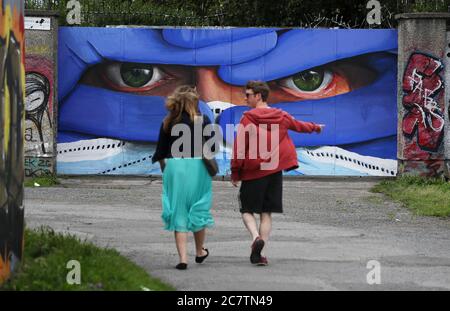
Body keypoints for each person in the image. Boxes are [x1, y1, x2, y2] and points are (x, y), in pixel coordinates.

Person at [231, 80, 324, 266]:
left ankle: (255, 237)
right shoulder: (281, 116)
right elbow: (300, 126)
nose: (245, 98)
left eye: (248, 95)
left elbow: (240, 148)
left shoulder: (247, 119)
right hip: (274, 173)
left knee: (246, 210)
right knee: (266, 213)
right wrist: (316, 127)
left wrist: (235, 172)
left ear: (258, 96)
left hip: (253, 173)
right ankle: (260, 254)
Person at [152, 85, 214, 270]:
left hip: (174, 166)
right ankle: (200, 251)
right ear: (194, 102)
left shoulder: (167, 122)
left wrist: (167, 170)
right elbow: (210, 149)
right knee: (198, 209)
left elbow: (161, 152)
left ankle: (183, 258)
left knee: (179, 211)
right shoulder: (202, 120)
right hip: (197, 167)